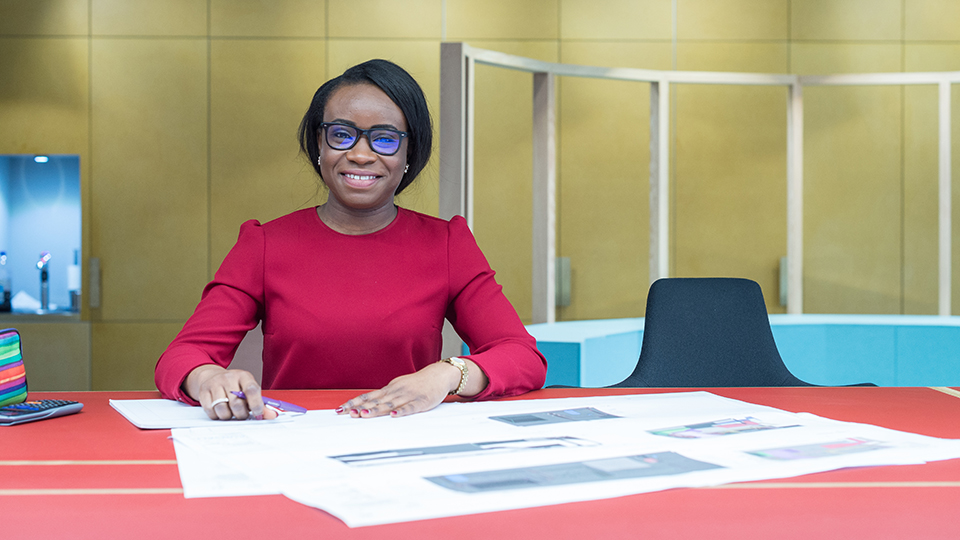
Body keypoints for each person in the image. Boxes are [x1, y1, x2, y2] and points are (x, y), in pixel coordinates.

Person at [155, 59, 547, 421]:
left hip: (406, 444)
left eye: (385, 138)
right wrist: (207, 377)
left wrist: (446, 374)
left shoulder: (446, 243)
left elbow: (522, 357)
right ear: (320, 146)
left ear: (410, 151)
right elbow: (182, 356)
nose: (361, 154)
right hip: (292, 442)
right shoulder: (264, 243)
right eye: (342, 134)